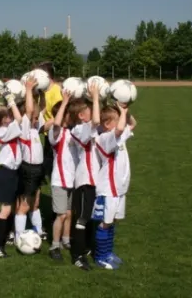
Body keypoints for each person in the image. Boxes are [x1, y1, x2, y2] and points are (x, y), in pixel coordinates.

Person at [92, 103, 137, 269]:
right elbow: (119, 130)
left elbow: (132, 124)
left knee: (112, 222)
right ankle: (100, 257)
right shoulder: (105, 138)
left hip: (119, 189)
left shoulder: (117, 134)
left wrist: (125, 110)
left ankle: (108, 252)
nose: (122, 122)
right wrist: (122, 113)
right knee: (105, 222)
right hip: (108, 189)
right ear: (107, 124)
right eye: (118, 120)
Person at [66, 83, 100, 271]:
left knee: (90, 217)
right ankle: (77, 256)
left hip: (94, 179)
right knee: (83, 218)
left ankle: (86, 247)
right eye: (88, 110)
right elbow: (95, 121)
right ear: (81, 116)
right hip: (85, 179)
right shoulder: (79, 130)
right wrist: (95, 97)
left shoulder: (87, 127)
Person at [0, 91, 23, 258]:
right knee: (5, 210)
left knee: (10, 209)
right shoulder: (1, 132)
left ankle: (2, 240)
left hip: (13, 173)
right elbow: (20, 120)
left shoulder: (7, 129)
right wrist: (11, 101)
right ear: (2, 120)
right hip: (6, 174)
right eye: (7, 116)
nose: (11, 117)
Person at [15, 77, 47, 242]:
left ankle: (38, 230)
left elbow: (41, 108)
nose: (37, 118)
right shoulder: (24, 127)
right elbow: (29, 110)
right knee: (25, 204)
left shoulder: (34, 128)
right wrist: (28, 90)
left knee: (36, 202)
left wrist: (41, 93)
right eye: (34, 116)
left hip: (38, 168)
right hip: (28, 168)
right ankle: (19, 236)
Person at [48, 92, 75, 262]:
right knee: (61, 215)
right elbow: (57, 123)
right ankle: (54, 245)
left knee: (69, 213)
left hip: (73, 179)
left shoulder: (73, 132)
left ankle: (66, 240)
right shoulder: (55, 134)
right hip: (60, 179)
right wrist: (64, 102)